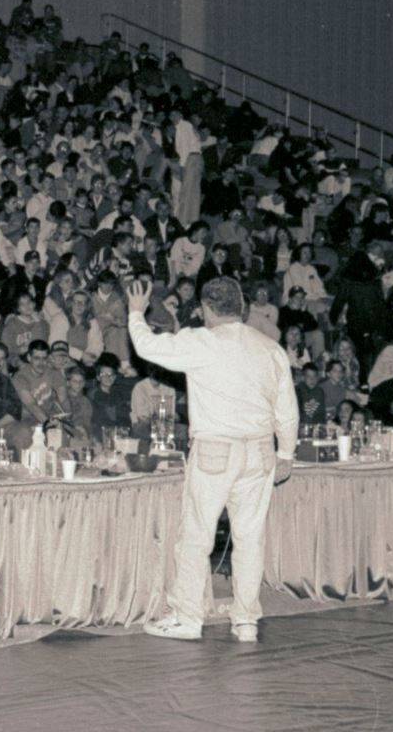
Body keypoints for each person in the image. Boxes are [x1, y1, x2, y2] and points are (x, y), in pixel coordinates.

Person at [127, 276, 297, 644]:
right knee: (250, 538)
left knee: (196, 535)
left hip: (215, 450)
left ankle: (188, 618)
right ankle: (246, 622)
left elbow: (145, 348)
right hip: (260, 451)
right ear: (243, 308)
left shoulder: (200, 341)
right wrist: (286, 452)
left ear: (205, 309)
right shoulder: (270, 348)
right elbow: (288, 408)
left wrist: (136, 313)